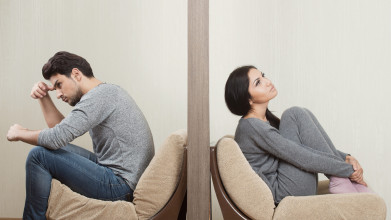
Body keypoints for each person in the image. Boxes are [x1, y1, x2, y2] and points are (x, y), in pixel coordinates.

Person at [6, 51, 155, 219]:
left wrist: (20, 133)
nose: (58, 94)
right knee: (48, 148)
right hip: (118, 175)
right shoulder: (105, 93)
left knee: (38, 156)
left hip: (121, 185)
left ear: (76, 74)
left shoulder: (99, 97)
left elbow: (56, 137)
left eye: (59, 85)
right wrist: (43, 97)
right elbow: (60, 130)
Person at [224, 65, 371, 204]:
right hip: (285, 193)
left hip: (292, 185)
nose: (267, 82)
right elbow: (300, 155)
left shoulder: (264, 121)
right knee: (294, 114)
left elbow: (305, 144)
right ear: (248, 99)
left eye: (263, 76)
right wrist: (347, 170)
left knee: (299, 113)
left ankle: (340, 180)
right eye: (258, 83)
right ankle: (340, 180)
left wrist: (346, 157)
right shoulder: (251, 126)